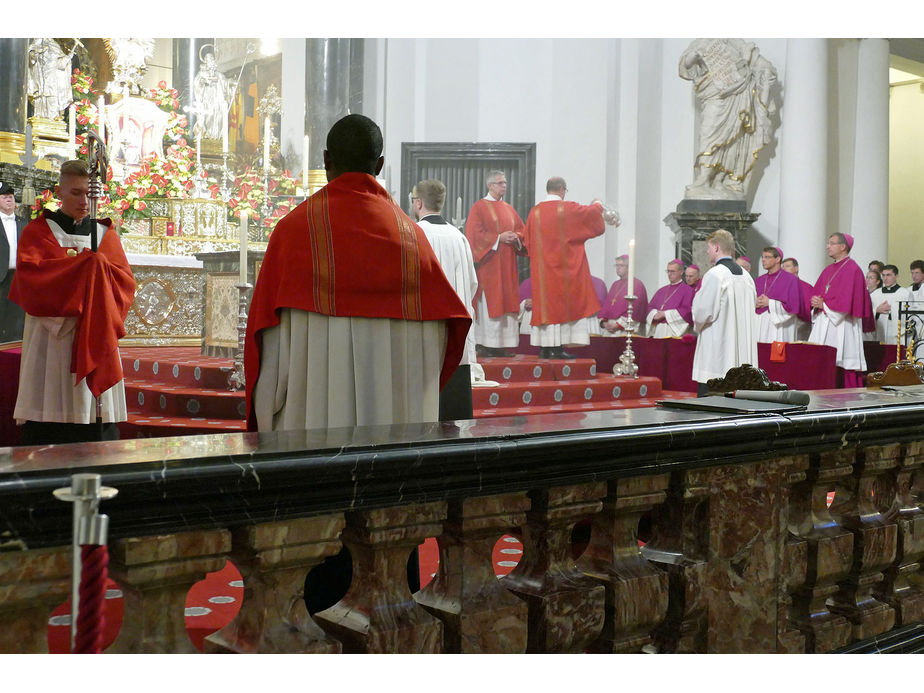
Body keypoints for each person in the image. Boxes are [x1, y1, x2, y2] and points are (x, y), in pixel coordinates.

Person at [245, 114, 471, 432]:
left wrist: (268, 412)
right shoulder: (411, 238)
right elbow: (438, 340)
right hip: (394, 432)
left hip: (308, 432)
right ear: (379, 165)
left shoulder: (294, 232)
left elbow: (268, 343)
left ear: (325, 159)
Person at [10, 160, 136, 445]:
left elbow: (125, 285)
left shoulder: (104, 234)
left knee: (96, 428)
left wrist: (98, 271)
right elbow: (34, 282)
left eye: (91, 194)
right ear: (60, 191)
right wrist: (83, 270)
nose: (85, 201)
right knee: (50, 412)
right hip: (52, 339)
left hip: (96, 331)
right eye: (76, 193)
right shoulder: (38, 231)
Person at [412, 178, 479, 418]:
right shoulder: (458, 237)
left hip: (426, 327)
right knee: (453, 415)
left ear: (418, 202)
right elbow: (472, 284)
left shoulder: (414, 233)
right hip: (456, 327)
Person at [519, 176, 607, 359]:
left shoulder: (534, 212)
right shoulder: (567, 209)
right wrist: (598, 204)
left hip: (543, 273)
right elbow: (591, 216)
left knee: (546, 306)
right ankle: (557, 348)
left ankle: (545, 347)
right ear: (562, 190)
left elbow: (527, 242)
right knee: (562, 305)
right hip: (562, 271)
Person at [678, 38, 778, 200]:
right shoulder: (704, 41)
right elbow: (686, 64)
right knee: (708, 135)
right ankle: (703, 179)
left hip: (738, 99)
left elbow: (763, 65)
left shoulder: (736, 43)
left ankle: (720, 180)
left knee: (733, 142)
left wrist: (765, 72)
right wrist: (695, 55)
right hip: (715, 96)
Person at [465, 170, 525, 357]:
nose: (504, 186)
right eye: (500, 183)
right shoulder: (479, 207)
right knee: (491, 302)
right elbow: (473, 235)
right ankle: (486, 344)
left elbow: (522, 230)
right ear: (490, 185)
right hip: (489, 265)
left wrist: (517, 237)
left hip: (508, 265)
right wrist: (498, 237)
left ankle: (500, 345)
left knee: (506, 301)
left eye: (505, 182)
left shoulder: (508, 208)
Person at [691, 229, 758, 394]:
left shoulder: (715, 275)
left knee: (712, 406)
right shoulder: (747, 277)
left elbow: (702, 312)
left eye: (708, 248)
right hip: (743, 358)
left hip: (718, 357)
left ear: (716, 248)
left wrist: (697, 325)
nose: (707, 252)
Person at [808, 233, 874, 387]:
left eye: (831, 243)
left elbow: (847, 301)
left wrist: (823, 305)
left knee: (841, 357)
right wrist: (815, 302)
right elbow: (818, 293)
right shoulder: (828, 269)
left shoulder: (853, 269)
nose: (827, 246)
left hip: (843, 324)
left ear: (843, 247)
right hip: (824, 321)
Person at [754, 246, 803, 343]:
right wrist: (755, 303)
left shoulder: (790, 280)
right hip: (761, 325)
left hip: (780, 326)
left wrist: (770, 303)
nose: (763, 260)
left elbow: (793, 307)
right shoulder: (759, 280)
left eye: (767, 257)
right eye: (762, 257)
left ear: (777, 259)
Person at [0, 182, 27, 342]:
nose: (9, 199)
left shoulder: (23, 223)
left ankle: (12, 344)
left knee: (16, 314)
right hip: (1, 276)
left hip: (18, 277)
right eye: (4, 197)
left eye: (11, 196)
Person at [599, 253, 648, 337]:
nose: (618, 268)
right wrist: (605, 322)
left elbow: (636, 310)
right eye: (617, 265)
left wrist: (618, 325)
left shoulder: (637, 284)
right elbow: (607, 306)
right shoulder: (615, 284)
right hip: (610, 329)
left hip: (625, 330)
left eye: (621, 265)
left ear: (629, 267)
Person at [646, 259, 694, 338]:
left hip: (672, 332)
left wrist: (665, 314)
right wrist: (654, 314)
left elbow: (687, 311)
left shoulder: (688, 291)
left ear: (681, 272)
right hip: (658, 331)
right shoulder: (661, 290)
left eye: (672, 271)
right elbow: (650, 307)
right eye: (668, 271)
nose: (669, 274)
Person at [872, 264, 910, 344]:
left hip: (897, 334)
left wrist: (892, 310)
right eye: (883, 275)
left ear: (896, 276)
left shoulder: (905, 293)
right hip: (878, 332)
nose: (885, 278)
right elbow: (867, 311)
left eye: (888, 275)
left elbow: (910, 315)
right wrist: (877, 310)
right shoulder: (875, 294)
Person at [781, 256, 814, 341]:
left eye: (787, 266)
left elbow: (809, 307)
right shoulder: (780, 287)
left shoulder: (807, 287)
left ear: (796, 268)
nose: (784, 269)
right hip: (784, 323)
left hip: (801, 324)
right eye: (782, 267)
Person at [864, 269, 883, 342]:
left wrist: (876, 311)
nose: (868, 280)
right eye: (867, 277)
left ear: (878, 281)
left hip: (877, 327)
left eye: (871, 278)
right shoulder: (864, 294)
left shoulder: (880, 295)